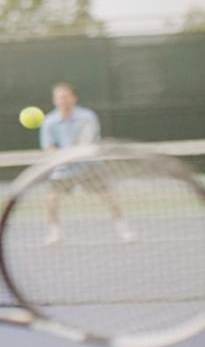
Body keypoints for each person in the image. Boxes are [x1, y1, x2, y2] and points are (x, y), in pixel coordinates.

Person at [39, 82, 135, 246]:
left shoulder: (87, 116)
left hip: (89, 166)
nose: (63, 100)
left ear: (74, 98)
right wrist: (63, 157)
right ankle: (55, 234)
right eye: (59, 97)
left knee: (109, 198)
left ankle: (124, 231)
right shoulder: (49, 121)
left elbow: (88, 142)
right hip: (63, 169)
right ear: (55, 100)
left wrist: (74, 153)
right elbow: (48, 147)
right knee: (51, 200)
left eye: (66, 96)